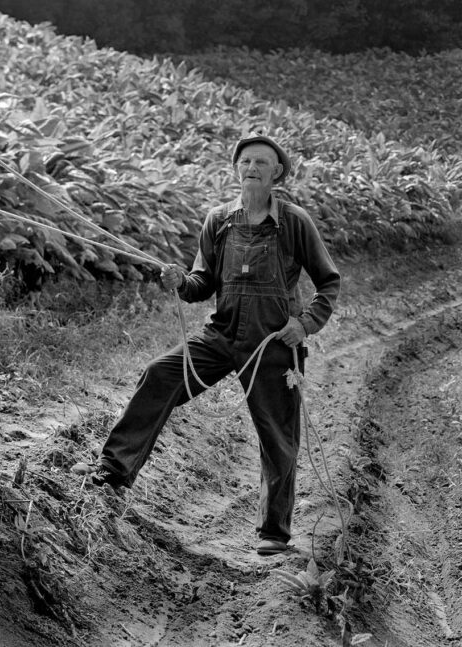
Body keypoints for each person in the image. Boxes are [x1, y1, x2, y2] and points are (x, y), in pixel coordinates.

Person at [89, 134, 340, 557]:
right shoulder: (219, 219)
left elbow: (328, 282)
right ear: (236, 168)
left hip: (273, 343)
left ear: (277, 171)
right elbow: (202, 283)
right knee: (160, 373)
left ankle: (274, 533)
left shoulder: (295, 222)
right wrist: (180, 282)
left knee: (277, 434)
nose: (252, 168)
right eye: (245, 161)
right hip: (221, 336)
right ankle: (114, 470)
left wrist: (305, 323)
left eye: (262, 162)